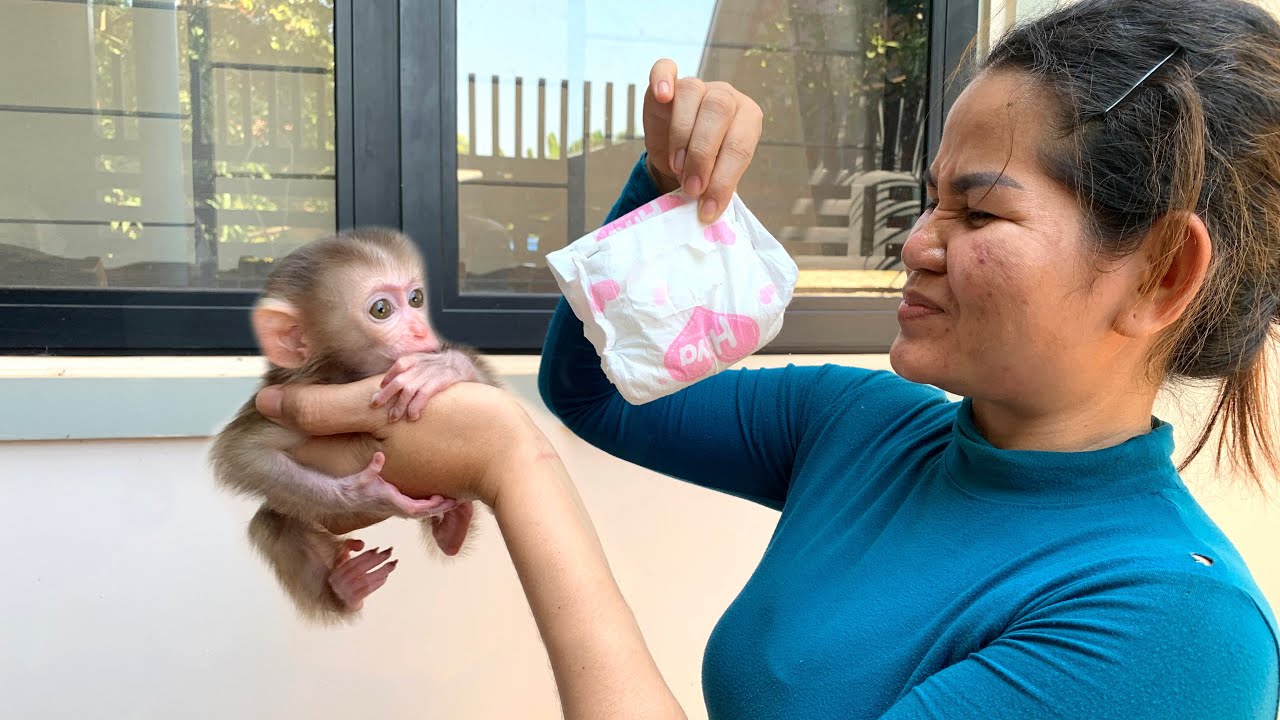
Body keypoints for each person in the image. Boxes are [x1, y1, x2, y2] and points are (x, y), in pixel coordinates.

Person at [255, 0, 1280, 716]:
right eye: (930, 200)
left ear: (1157, 271)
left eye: (977, 209)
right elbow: (598, 392)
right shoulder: (867, 425)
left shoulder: (1166, 628)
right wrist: (666, 189)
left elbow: (547, 431)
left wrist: (512, 471)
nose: (915, 241)